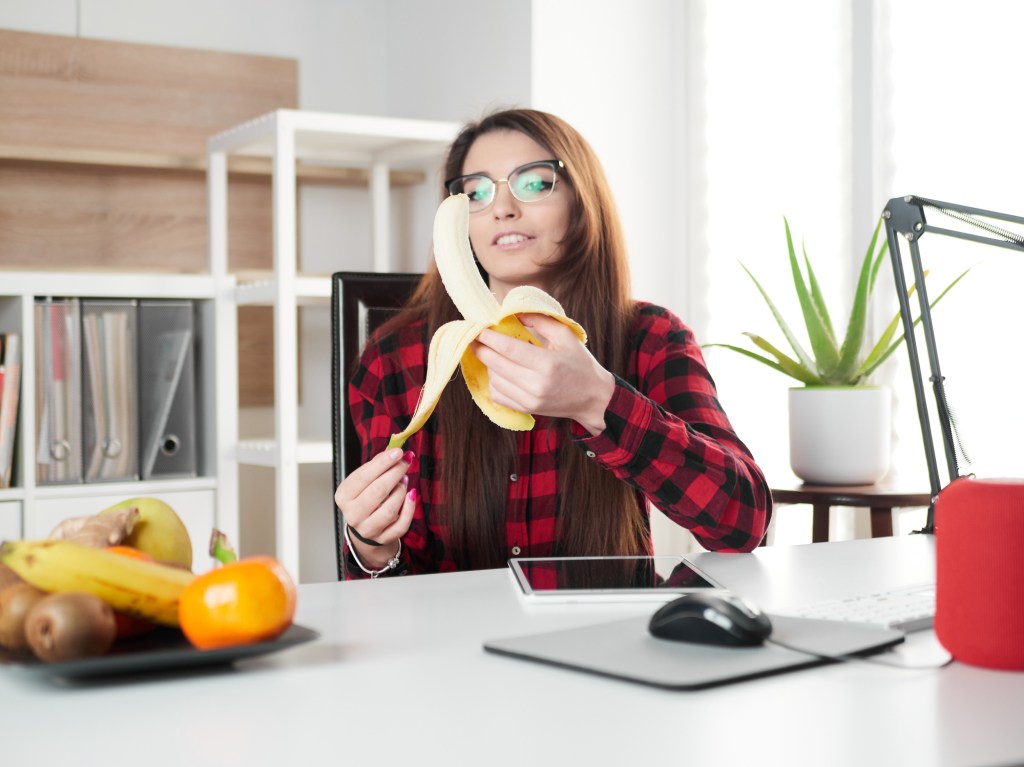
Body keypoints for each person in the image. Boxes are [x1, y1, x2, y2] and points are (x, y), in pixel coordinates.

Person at [334, 108, 771, 578]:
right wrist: (372, 547)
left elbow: (742, 526)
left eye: (535, 183)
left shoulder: (651, 337)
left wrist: (598, 400)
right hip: (456, 644)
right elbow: (386, 594)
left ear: (581, 202)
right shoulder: (395, 359)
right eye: (476, 192)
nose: (502, 208)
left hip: (607, 637)